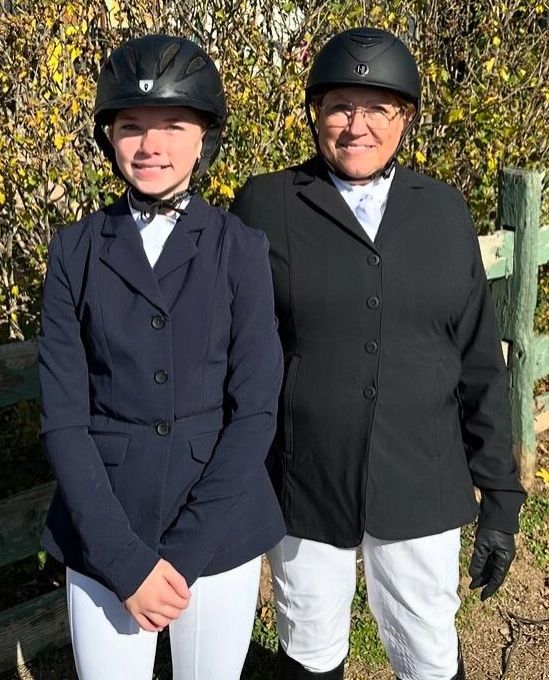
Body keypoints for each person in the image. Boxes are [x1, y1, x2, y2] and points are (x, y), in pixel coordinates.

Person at [230, 27, 526, 680]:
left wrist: (501, 498)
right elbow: (232, 354)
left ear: (406, 119)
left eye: (377, 109)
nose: (356, 126)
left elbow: (479, 363)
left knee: (427, 653)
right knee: (309, 648)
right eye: (340, 106)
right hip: (306, 482)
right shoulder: (266, 204)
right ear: (315, 113)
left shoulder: (443, 211)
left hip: (421, 479)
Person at [38, 34, 285, 680]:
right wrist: (125, 563)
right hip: (107, 529)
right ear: (109, 137)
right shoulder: (73, 252)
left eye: (173, 125)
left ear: (204, 137)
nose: (151, 145)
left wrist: (183, 554)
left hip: (218, 525)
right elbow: (63, 420)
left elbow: (255, 410)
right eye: (131, 126)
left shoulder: (240, 248)